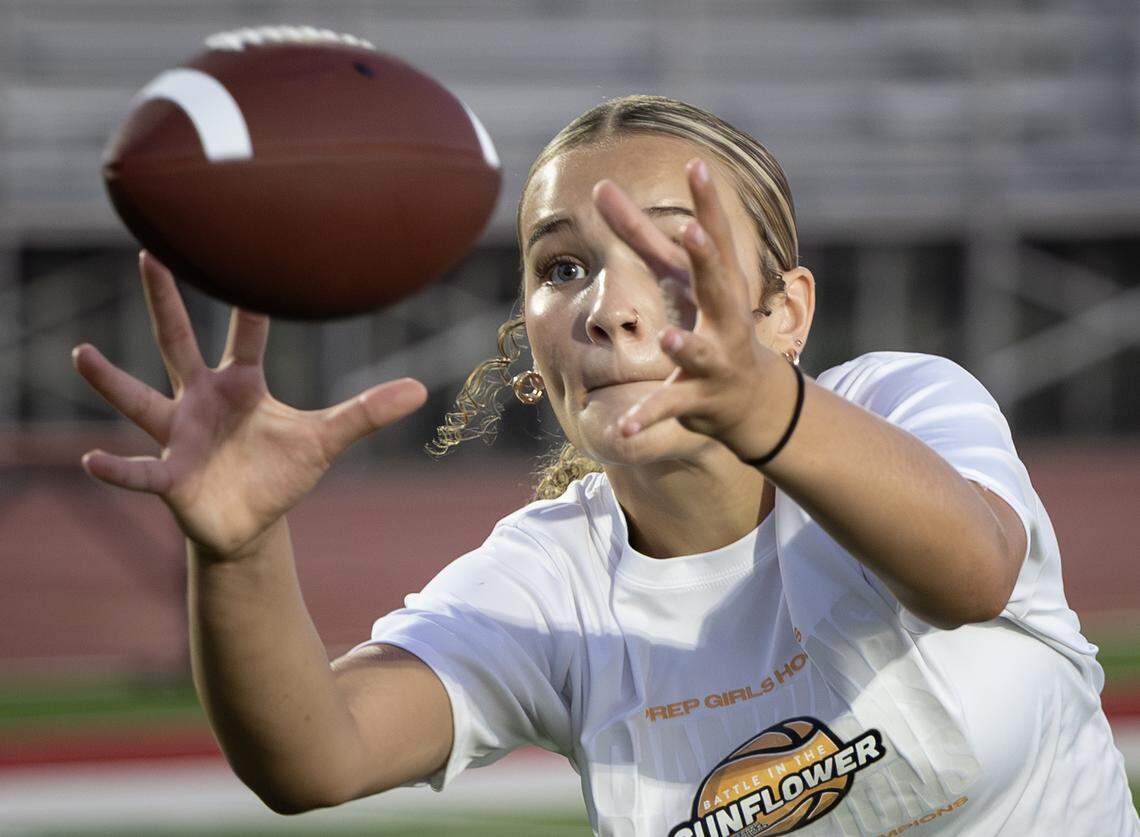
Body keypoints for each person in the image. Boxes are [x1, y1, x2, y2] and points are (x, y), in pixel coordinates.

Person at [71, 94, 1137, 836]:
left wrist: (762, 403)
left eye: (672, 256)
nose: (605, 305)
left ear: (786, 311)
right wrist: (243, 548)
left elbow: (972, 570)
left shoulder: (905, 403)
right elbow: (316, 757)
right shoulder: (553, 579)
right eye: (563, 266)